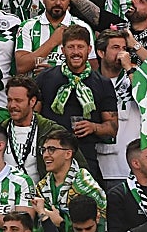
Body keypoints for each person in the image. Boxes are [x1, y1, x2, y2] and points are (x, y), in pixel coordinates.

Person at [36, 25, 118, 179]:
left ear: (89, 49)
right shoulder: (45, 78)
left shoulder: (103, 83)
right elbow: (33, 118)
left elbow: (112, 127)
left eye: (80, 47)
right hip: (50, 156)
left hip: (86, 155)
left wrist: (93, 127)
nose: (75, 52)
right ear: (63, 50)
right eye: (70, 47)